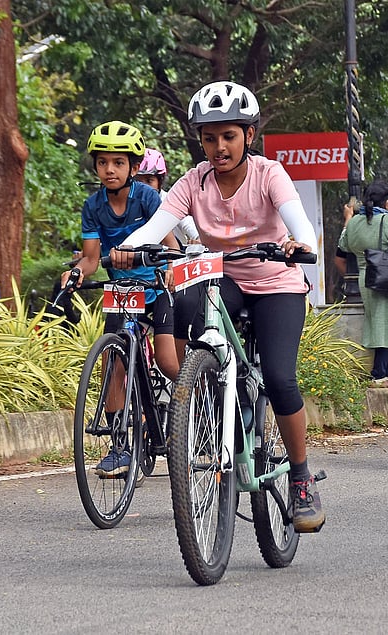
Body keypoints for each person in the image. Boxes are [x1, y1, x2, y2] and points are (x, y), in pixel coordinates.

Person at [115, 81, 325, 533]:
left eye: (228, 136)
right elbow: (157, 226)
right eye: (209, 138)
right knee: (189, 320)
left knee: (280, 377)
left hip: (276, 282)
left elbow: (299, 222)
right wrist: (128, 249)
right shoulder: (194, 181)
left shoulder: (269, 174)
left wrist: (298, 243)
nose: (218, 147)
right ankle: (217, 399)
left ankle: (302, 478)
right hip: (223, 280)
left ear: (248, 135)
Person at [63, 121, 180, 478]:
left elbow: (170, 246)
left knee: (168, 361)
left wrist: (170, 269)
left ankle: (199, 406)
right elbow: (91, 257)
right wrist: (78, 273)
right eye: (102, 162)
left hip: (155, 289)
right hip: (120, 293)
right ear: (95, 166)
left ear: (133, 166)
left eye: (118, 162)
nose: (109, 169)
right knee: (112, 362)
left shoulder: (148, 198)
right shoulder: (92, 206)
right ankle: (120, 447)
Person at [334, 181, 388, 389]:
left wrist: (348, 219)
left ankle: (383, 371)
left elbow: (343, 246)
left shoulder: (354, 223)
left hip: (366, 278)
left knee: (378, 323)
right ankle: (381, 373)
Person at [134, 147, 200, 244]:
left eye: (149, 181)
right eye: (138, 181)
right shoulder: (125, 204)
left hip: (173, 256)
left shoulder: (171, 200)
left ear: (159, 182)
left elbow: (188, 224)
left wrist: (198, 238)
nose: (144, 187)